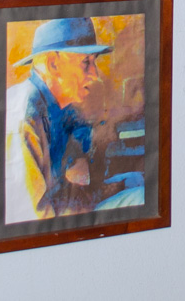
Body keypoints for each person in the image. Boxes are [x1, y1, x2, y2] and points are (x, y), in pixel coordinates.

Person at [14, 16, 112, 219]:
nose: (95, 74)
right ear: (53, 64)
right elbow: (34, 215)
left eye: (94, 62)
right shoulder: (24, 116)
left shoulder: (62, 110)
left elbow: (67, 189)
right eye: (86, 62)